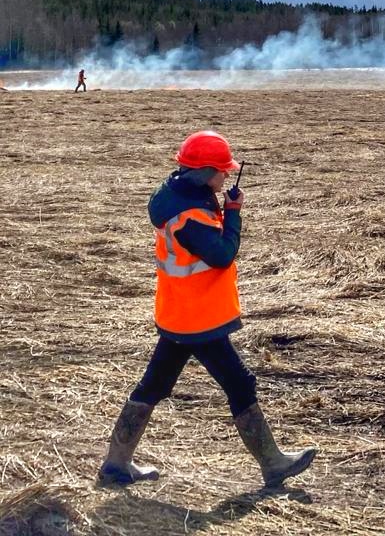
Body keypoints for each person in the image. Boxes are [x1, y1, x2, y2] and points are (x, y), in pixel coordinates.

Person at [98, 131, 316, 488]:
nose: (228, 175)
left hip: (178, 310)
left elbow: (197, 218)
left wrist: (218, 203)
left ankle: (115, 465)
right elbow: (221, 255)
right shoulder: (191, 216)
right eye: (223, 170)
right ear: (205, 172)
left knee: (153, 385)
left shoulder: (175, 192)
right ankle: (273, 464)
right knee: (240, 384)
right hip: (197, 317)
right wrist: (233, 214)